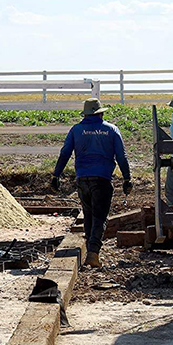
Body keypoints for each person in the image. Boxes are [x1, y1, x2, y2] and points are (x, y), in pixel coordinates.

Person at [50, 98, 132, 268]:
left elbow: (65, 153)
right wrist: (126, 178)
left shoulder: (76, 130)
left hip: (82, 179)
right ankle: (93, 254)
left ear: (86, 114)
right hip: (102, 179)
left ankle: (89, 251)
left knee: (88, 215)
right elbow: (122, 156)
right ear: (101, 113)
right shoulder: (111, 130)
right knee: (99, 217)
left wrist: (56, 175)